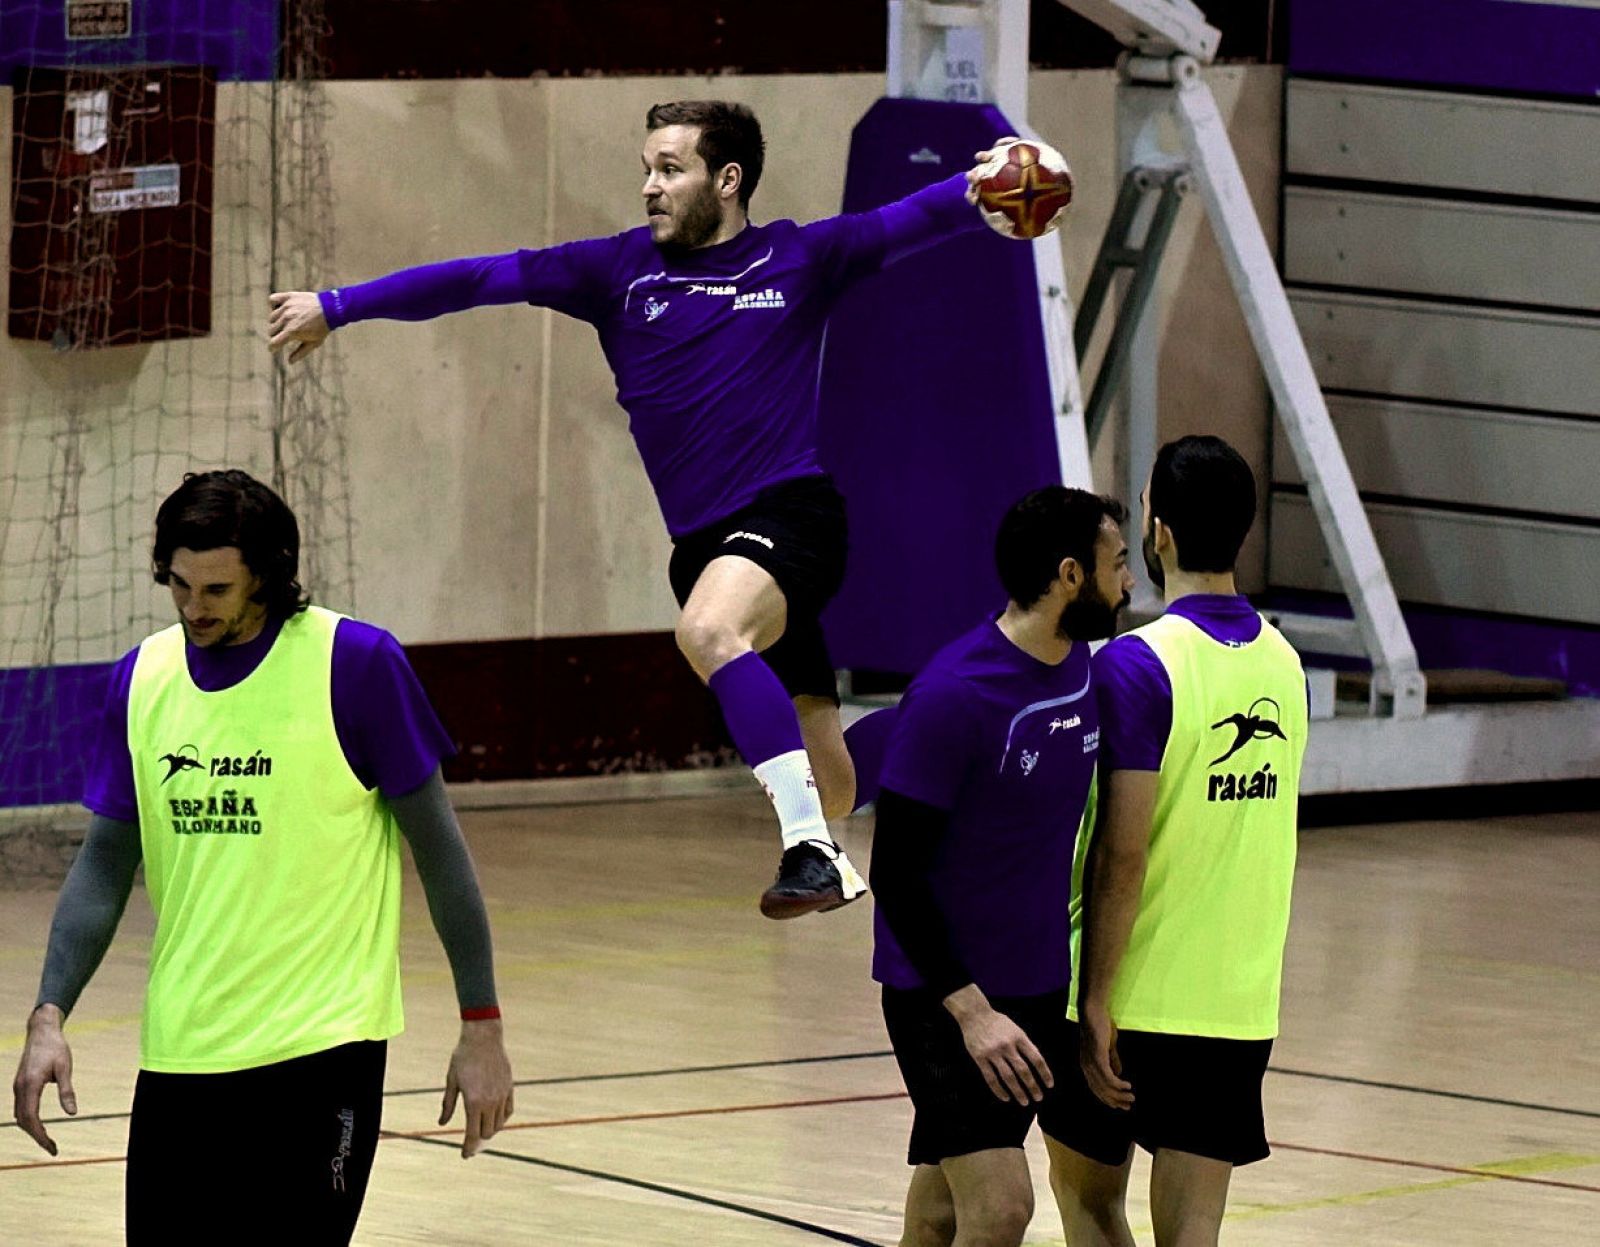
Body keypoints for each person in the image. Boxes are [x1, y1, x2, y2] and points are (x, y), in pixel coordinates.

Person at [267, 100, 1015, 918]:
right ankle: (950, 729)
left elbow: (913, 217)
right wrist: (338, 305)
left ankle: (810, 853)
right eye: (646, 170)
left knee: (707, 633)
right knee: (835, 785)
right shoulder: (615, 271)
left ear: (726, 180)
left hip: (793, 515)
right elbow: (478, 278)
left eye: (670, 169)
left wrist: (989, 185)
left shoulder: (801, 256)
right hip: (703, 545)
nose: (650, 187)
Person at [10, 470, 516, 1245]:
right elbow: (105, 864)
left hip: (323, 1054)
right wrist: (49, 1013)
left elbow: (443, 857)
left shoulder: (358, 665)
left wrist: (481, 1026)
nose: (193, 607)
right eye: (178, 584)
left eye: (216, 588)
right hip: (183, 1054)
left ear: (271, 576)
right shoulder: (142, 677)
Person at [1052, 436, 1308, 1247]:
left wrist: (1094, 999)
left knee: (1090, 1204)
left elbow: (1121, 854)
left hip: (1133, 998)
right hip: (1236, 999)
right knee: (1192, 1233)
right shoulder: (1286, 663)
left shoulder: (1136, 665)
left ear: (1157, 530)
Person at [870, 486, 1134, 1247]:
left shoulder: (1083, 667)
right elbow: (897, 869)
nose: (1129, 583)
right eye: (1117, 565)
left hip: (1040, 985)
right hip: (945, 998)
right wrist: (973, 1013)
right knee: (1002, 1206)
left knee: (944, 1205)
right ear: (1070, 576)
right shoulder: (954, 695)